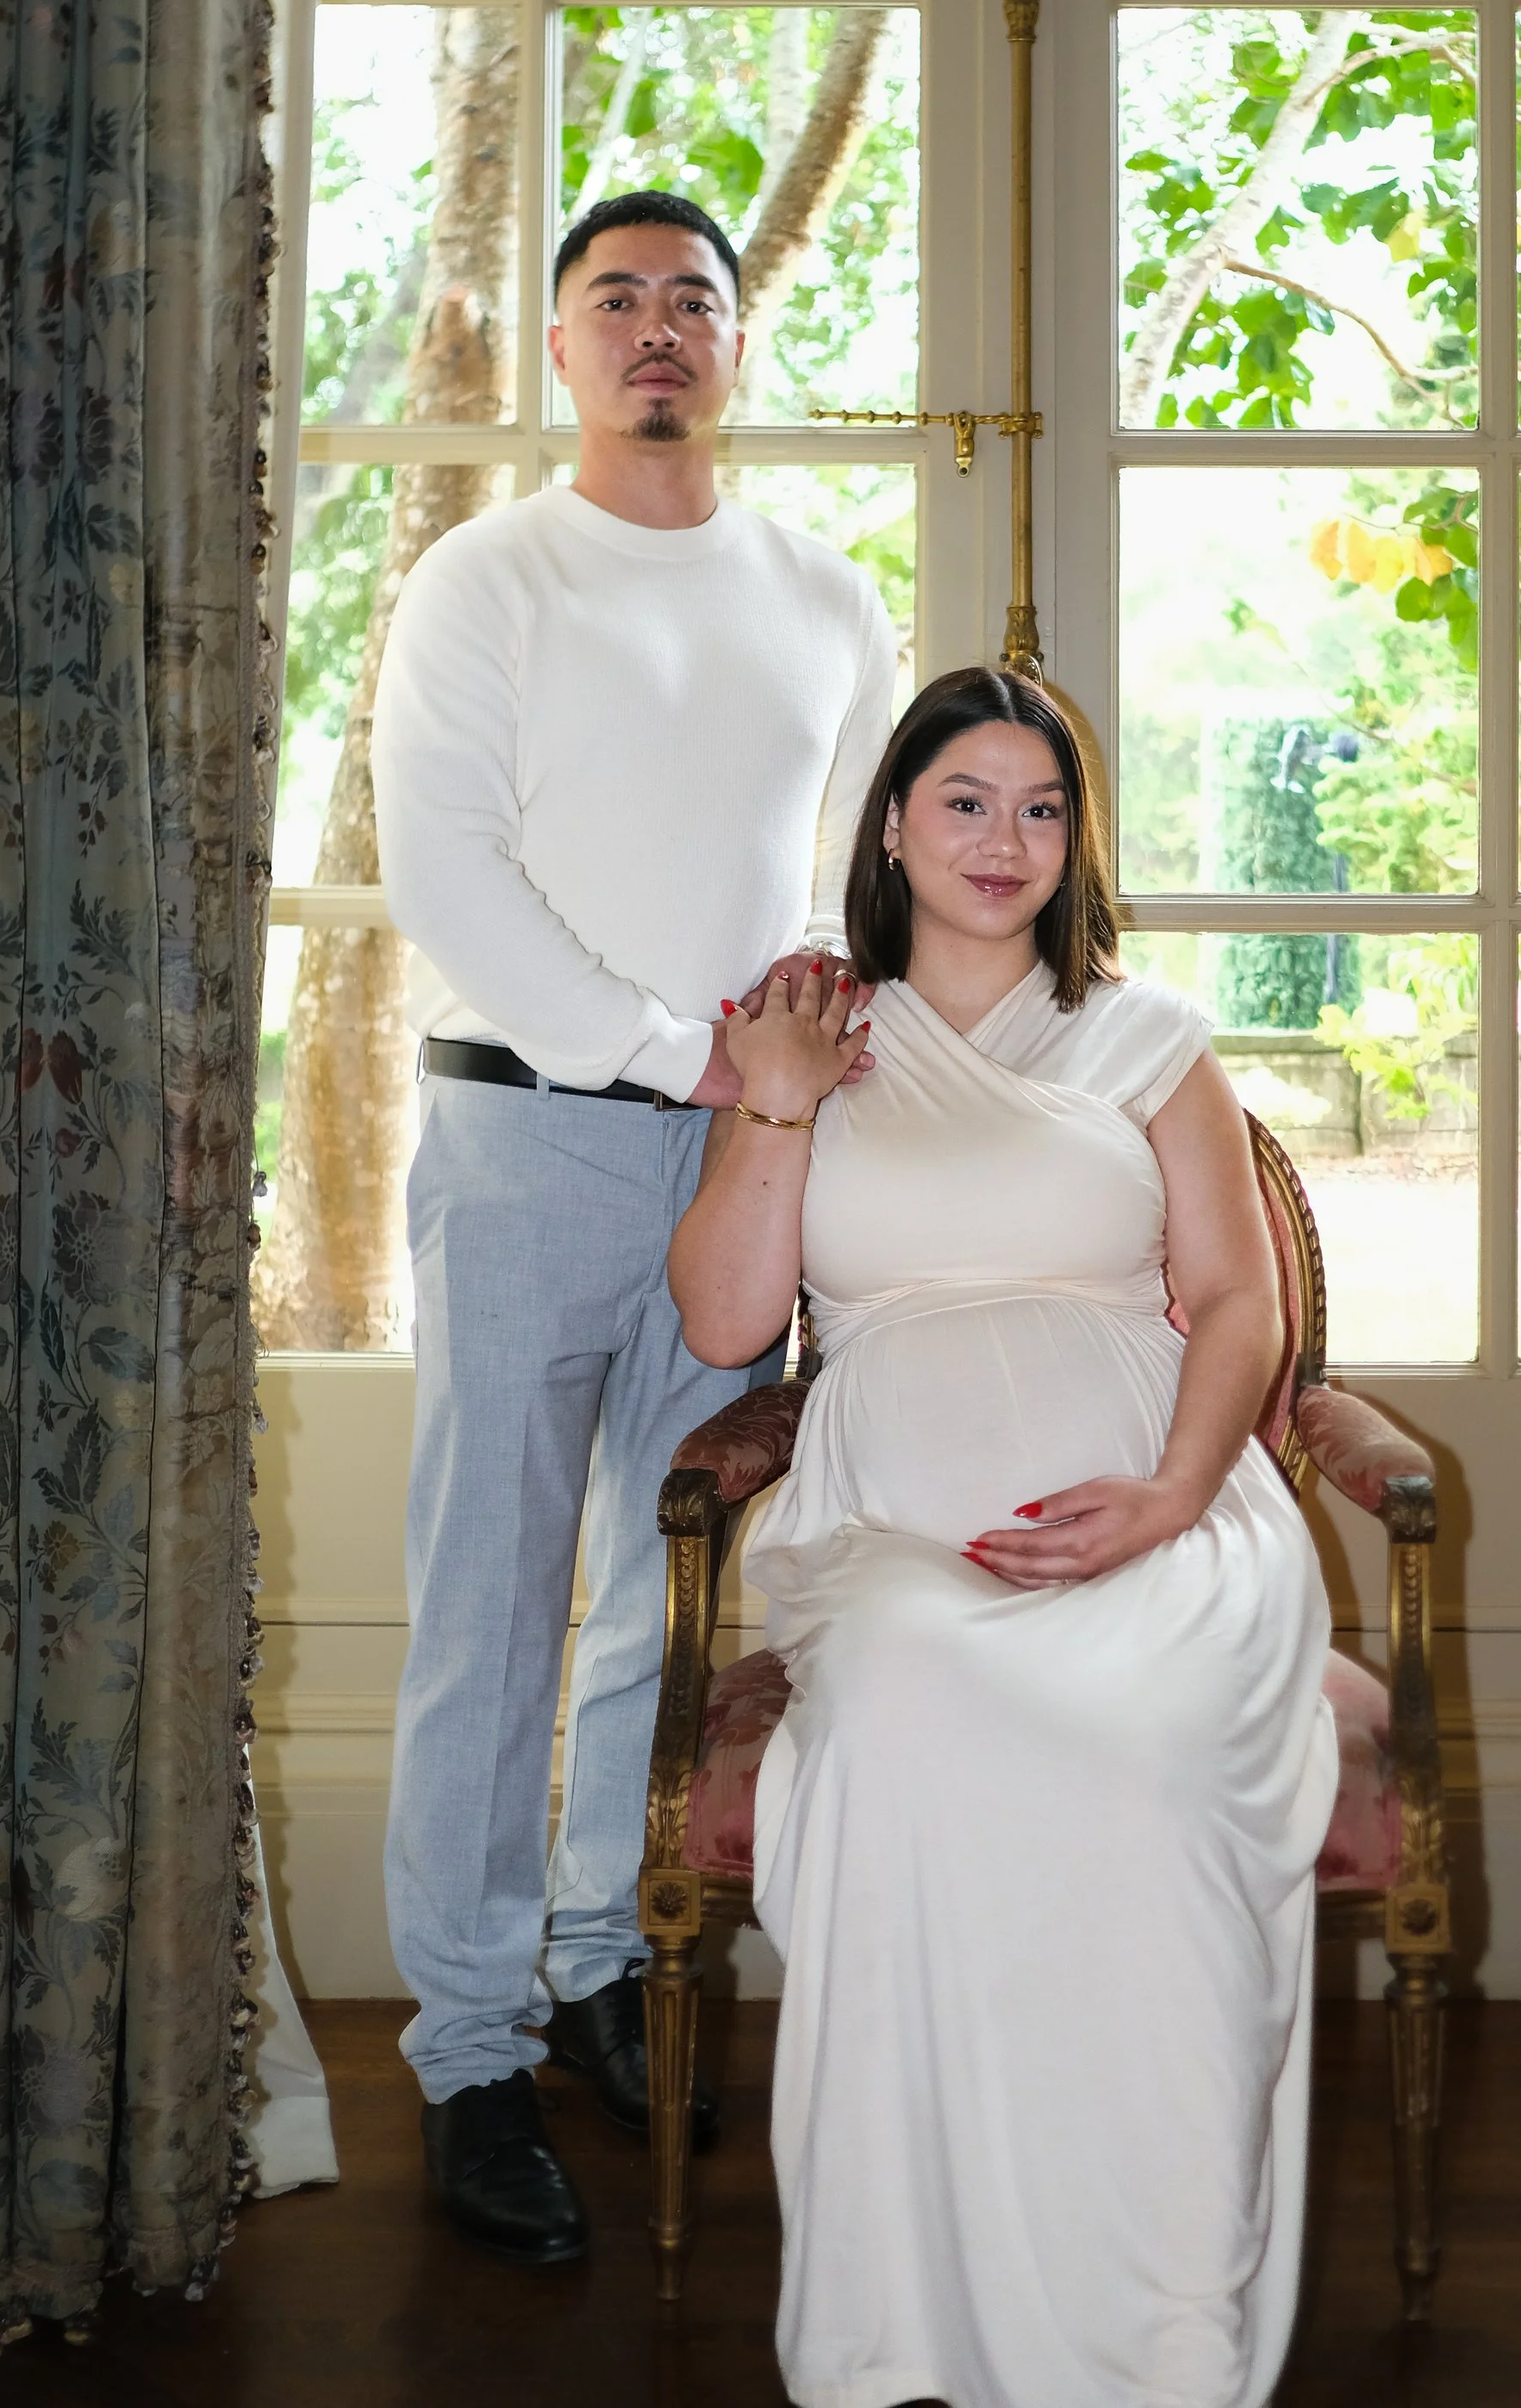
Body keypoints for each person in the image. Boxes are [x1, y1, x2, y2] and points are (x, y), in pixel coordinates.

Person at [667, 667, 1339, 2408]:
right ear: (891, 822)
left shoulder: (1146, 1040)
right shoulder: (805, 1038)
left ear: (1074, 840)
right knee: (894, 1690)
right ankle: (910, 2317)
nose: (1002, 841)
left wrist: (1180, 1493)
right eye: (963, 800)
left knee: (1154, 1763)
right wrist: (780, 1096)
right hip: (892, 1529)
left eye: (1039, 809)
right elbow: (730, 1326)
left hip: (1158, 1513)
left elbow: (1230, 1299)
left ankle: (1152, 2332)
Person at [370, 189, 895, 2264]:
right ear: (562, 350)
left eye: (695, 299)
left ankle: (600, 1957)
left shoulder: (823, 595)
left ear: (736, 344)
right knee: (491, 1606)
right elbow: (451, 874)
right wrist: (676, 1051)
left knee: (657, 1593)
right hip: (530, 1142)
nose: (658, 328)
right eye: (618, 300)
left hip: (744, 1158)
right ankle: (468, 2053)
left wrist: (772, 1072)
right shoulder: (486, 579)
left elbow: (844, 891)